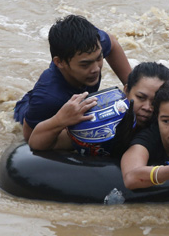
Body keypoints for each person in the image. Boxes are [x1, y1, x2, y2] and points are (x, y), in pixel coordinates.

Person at [28, 61, 169, 157]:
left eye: (154, 101)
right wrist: (60, 120)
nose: (146, 107)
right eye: (140, 97)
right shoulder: (102, 118)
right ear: (126, 91)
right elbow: (36, 144)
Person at [14, 14, 131, 142]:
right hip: (39, 116)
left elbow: (112, 42)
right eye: (85, 64)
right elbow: (29, 137)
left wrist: (132, 87)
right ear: (59, 62)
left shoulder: (91, 46)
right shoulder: (48, 97)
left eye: (99, 58)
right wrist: (60, 120)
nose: (96, 69)